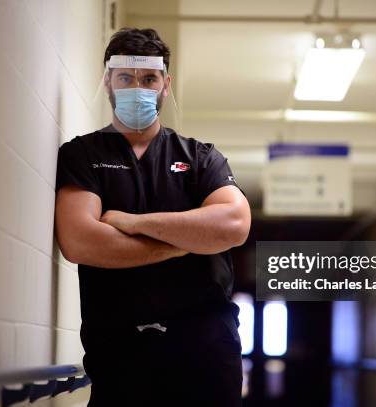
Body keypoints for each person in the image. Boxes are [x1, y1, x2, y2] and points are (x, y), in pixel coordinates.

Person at [54, 27, 251, 406]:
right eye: (125, 78)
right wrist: (186, 243)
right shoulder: (83, 155)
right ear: (108, 81)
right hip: (119, 354)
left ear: (165, 84)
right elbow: (80, 241)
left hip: (206, 355)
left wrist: (134, 223)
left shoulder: (200, 158)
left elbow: (234, 225)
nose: (137, 88)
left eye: (149, 79)